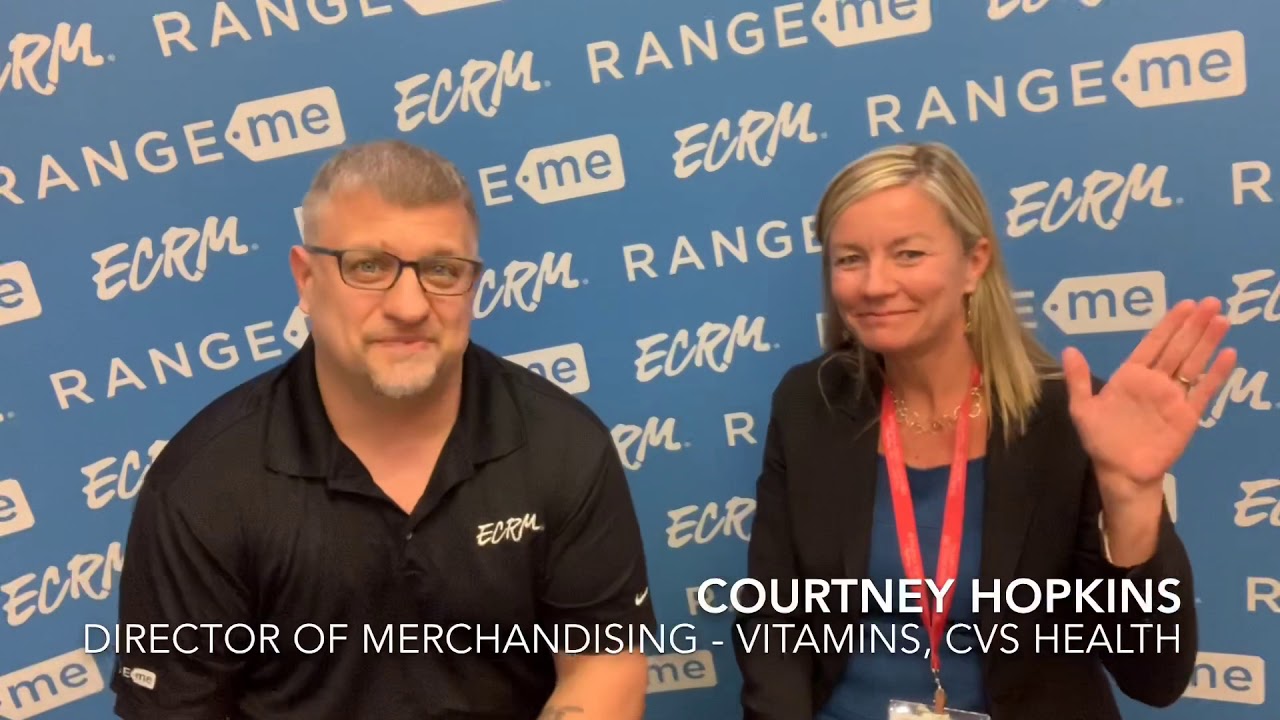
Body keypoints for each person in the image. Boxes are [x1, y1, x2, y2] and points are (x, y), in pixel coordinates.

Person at [109, 140, 655, 719]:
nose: (409, 306)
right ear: (306, 279)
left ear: (473, 284)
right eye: (368, 267)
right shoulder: (203, 484)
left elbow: (604, 668)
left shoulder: (563, 444)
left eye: (442, 270)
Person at [734, 142, 1235, 719]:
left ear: (974, 263)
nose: (874, 284)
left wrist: (1131, 499)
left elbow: (1155, 678)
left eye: (908, 254)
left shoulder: (1072, 418)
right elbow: (773, 624)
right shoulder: (810, 403)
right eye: (850, 259)